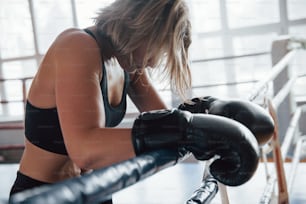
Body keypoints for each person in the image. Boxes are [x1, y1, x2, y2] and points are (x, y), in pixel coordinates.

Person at [9, 0, 265, 203]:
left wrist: (210, 114)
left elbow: (164, 119)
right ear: (139, 25)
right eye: (156, 47)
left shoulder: (127, 63)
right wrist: (189, 130)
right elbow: (85, 149)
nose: (153, 62)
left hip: (95, 190)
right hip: (46, 195)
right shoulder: (77, 45)